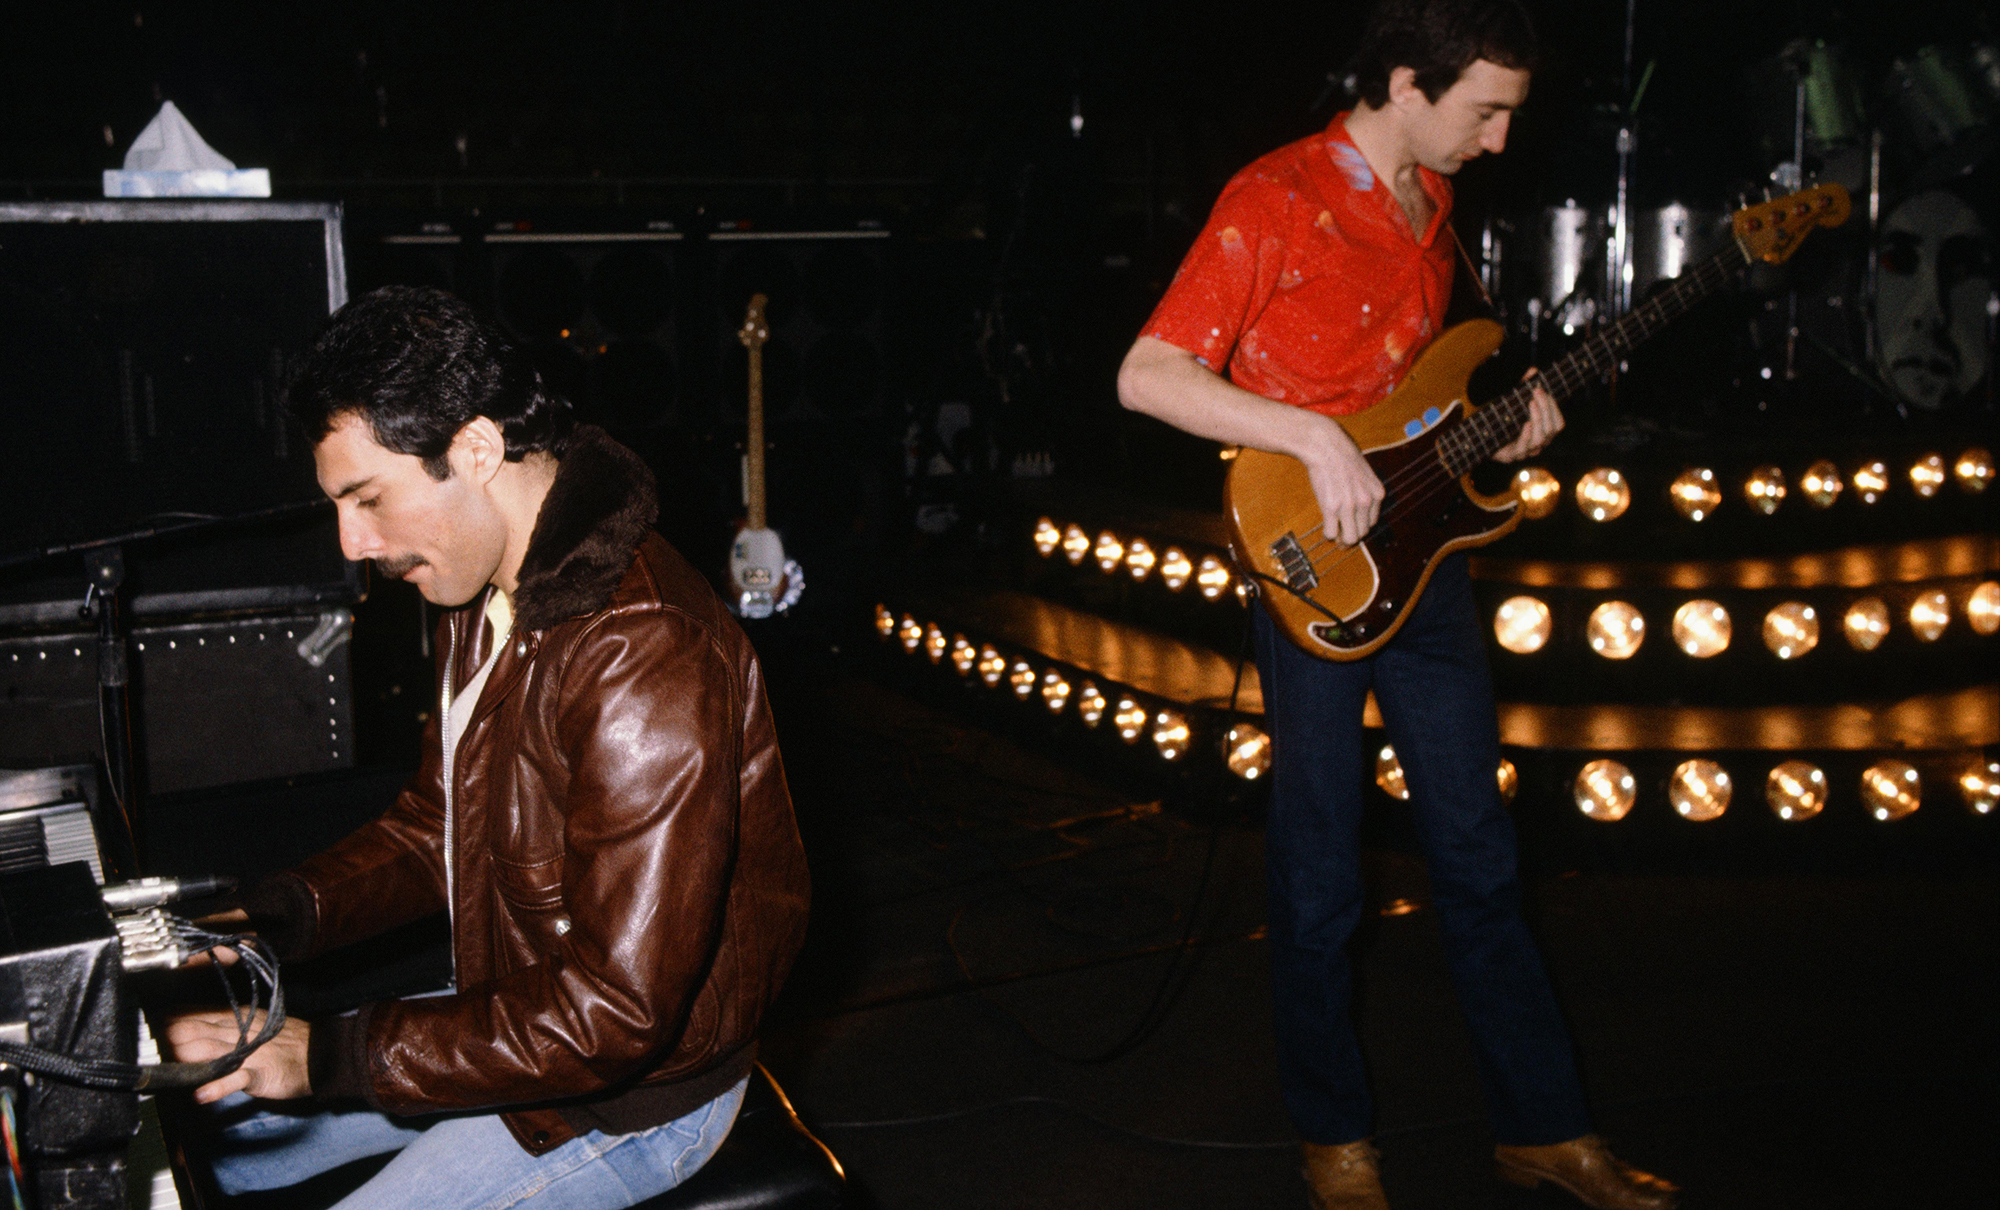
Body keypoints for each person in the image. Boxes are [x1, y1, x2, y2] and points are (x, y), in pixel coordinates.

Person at [1116, 3, 1677, 1208]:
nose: (1499, 139)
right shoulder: (1274, 196)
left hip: (1429, 569)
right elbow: (1147, 375)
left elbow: (1424, 402)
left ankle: (1543, 1128)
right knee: (1320, 872)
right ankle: (1334, 1140)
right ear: (1408, 84)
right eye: (1485, 111)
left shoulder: (1434, 206)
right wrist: (1306, 435)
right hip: (1313, 566)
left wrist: (1508, 424)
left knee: (1479, 854)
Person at [166, 286, 811, 1209]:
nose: (354, 542)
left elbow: (618, 1013)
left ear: (474, 448)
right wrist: (269, 924)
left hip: (629, 1102)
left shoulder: (643, 653)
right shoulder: (486, 589)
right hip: (528, 1020)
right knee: (207, 1131)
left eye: (367, 498)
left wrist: (331, 1055)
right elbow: (437, 825)